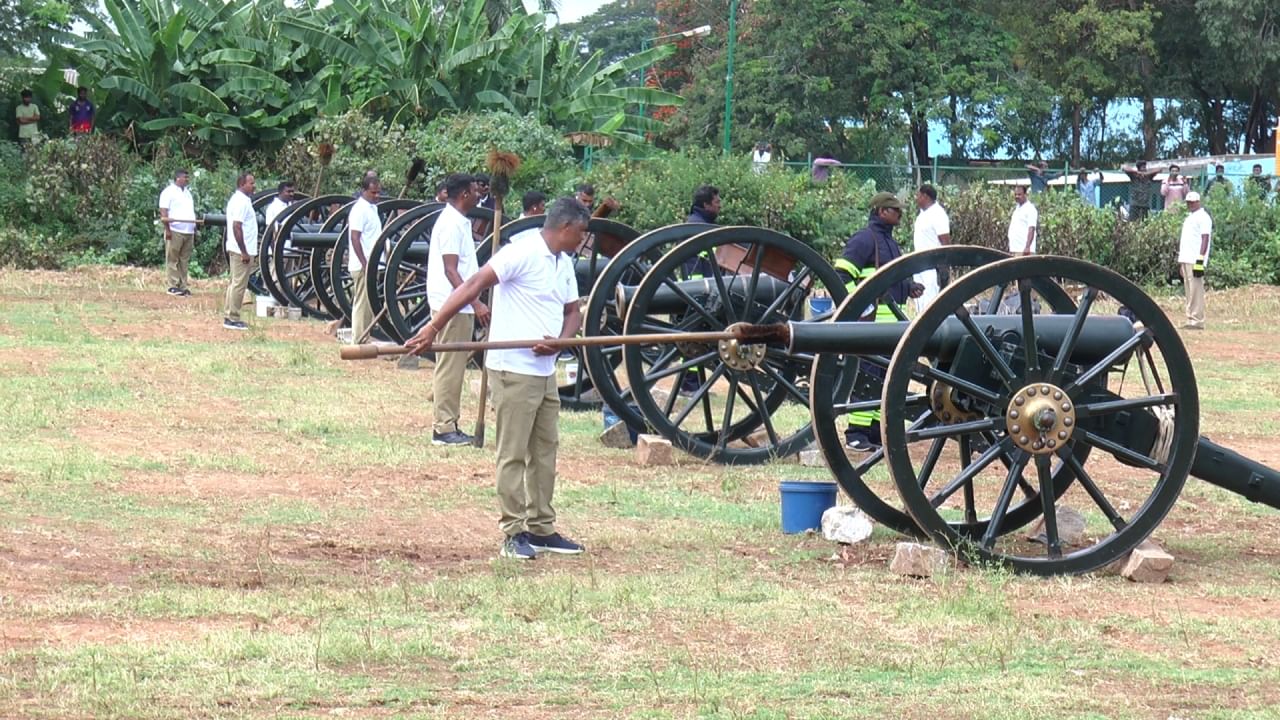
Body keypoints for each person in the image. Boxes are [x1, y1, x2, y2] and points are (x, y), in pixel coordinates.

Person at [404, 197, 588, 561]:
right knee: (513, 453)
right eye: (581, 233)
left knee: (545, 452)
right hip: (512, 369)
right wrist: (433, 326)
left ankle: (542, 528)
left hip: (544, 372)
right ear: (565, 227)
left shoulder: (563, 263)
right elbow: (473, 285)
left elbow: (573, 311)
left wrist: (561, 342)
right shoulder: (520, 253)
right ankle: (514, 531)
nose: (582, 241)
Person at [833, 192, 921, 452]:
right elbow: (841, 275)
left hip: (891, 325)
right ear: (882, 212)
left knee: (883, 381)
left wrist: (909, 287)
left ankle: (872, 432)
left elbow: (888, 279)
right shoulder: (864, 239)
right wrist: (862, 307)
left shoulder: (890, 243)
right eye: (895, 210)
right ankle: (856, 433)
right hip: (872, 324)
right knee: (867, 378)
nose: (900, 214)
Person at [426, 173, 490, 446]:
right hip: (453, 305)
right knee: (450, 367)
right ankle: (443, 428)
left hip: (457, 304)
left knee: (452, 366)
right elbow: (451, 270)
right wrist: (474, 302)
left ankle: (448, 421)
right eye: (476, 191)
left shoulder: (458, 221)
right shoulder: (451, 223)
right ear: (465, 194)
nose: (479, 195)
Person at [347, 174, 383, 342]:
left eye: (378, 192)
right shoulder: (359, 210)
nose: (377, 196)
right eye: (373, 193)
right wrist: (364, 263)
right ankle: (359, 338)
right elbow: (355, 238)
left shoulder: (372, 208)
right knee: (362, 302)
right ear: (364, 191)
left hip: (372, 262)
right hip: (363, 264)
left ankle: (364, 335)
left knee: (368, 303)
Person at [222, 172, 258, 331]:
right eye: (251, 183)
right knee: (239, 284)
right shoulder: (241, 202)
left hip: (239, 248)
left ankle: (229, 315)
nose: (254, 185)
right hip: (241, 250)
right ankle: (233, 317)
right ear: (242, 184)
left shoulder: (240, 200)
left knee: (234, 283)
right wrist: (244, 251)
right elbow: (237, 226)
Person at [158, 169, 198, 297]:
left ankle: (183, 285)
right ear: (178, 178)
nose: (187, 179)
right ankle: (173, 285)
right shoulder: (168, 192)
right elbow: (164, 212)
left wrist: (194, 227)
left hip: (188, 230)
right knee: (172, 258)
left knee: (184, 259)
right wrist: (168, 229)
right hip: (175, 229)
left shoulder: (187, 193)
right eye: (185, 177)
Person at [911, 184, 951, 312]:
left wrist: (945, 265)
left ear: (925, 196)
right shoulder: (922, 214)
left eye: (918, 195)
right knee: (920, 298)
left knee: (931, 299)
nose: (916, 198)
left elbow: (945, 241)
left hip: (932, 265)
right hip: (920, 263)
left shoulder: (938, 214)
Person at [1178, 192, 1212, 330]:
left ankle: (1197, 320)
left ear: (1198, 201)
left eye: (1192, 202)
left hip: (1195, 258)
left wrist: (1200, 258)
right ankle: (1191, 317)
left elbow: (1205, 238)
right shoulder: (1189, 218)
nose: (1190, 204)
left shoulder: (1203, 217)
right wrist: (1181, 261)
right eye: (1188, 202)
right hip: (1186, 257)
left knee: (1196, 289)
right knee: (1189, 289)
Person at [1008, 185, 1038, 256]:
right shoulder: (1017, 209)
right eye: (1015, 194)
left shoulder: (1030, 209)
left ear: (1025, 194)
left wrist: (1027, 247)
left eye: (1019, 194)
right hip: (1015, 249)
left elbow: (1031, 229)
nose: (1017, 196)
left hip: (1024, 251)